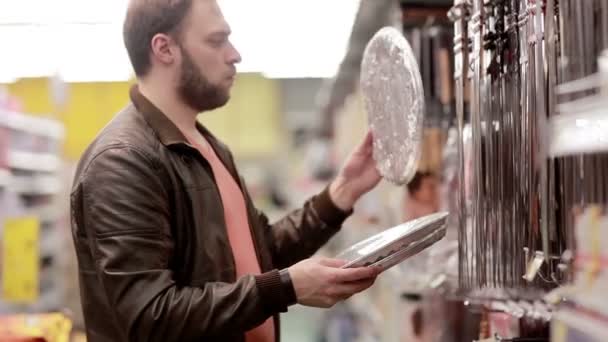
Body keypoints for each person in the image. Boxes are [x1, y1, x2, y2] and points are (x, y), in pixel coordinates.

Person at [69, 1, 383, 341]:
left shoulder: (208, 146)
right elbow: (150, 315)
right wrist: (285, 288)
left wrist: (341, 194)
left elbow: (261, 253)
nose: (234, 55)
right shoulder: (123, 161)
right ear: (164, 49)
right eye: (217, 41)